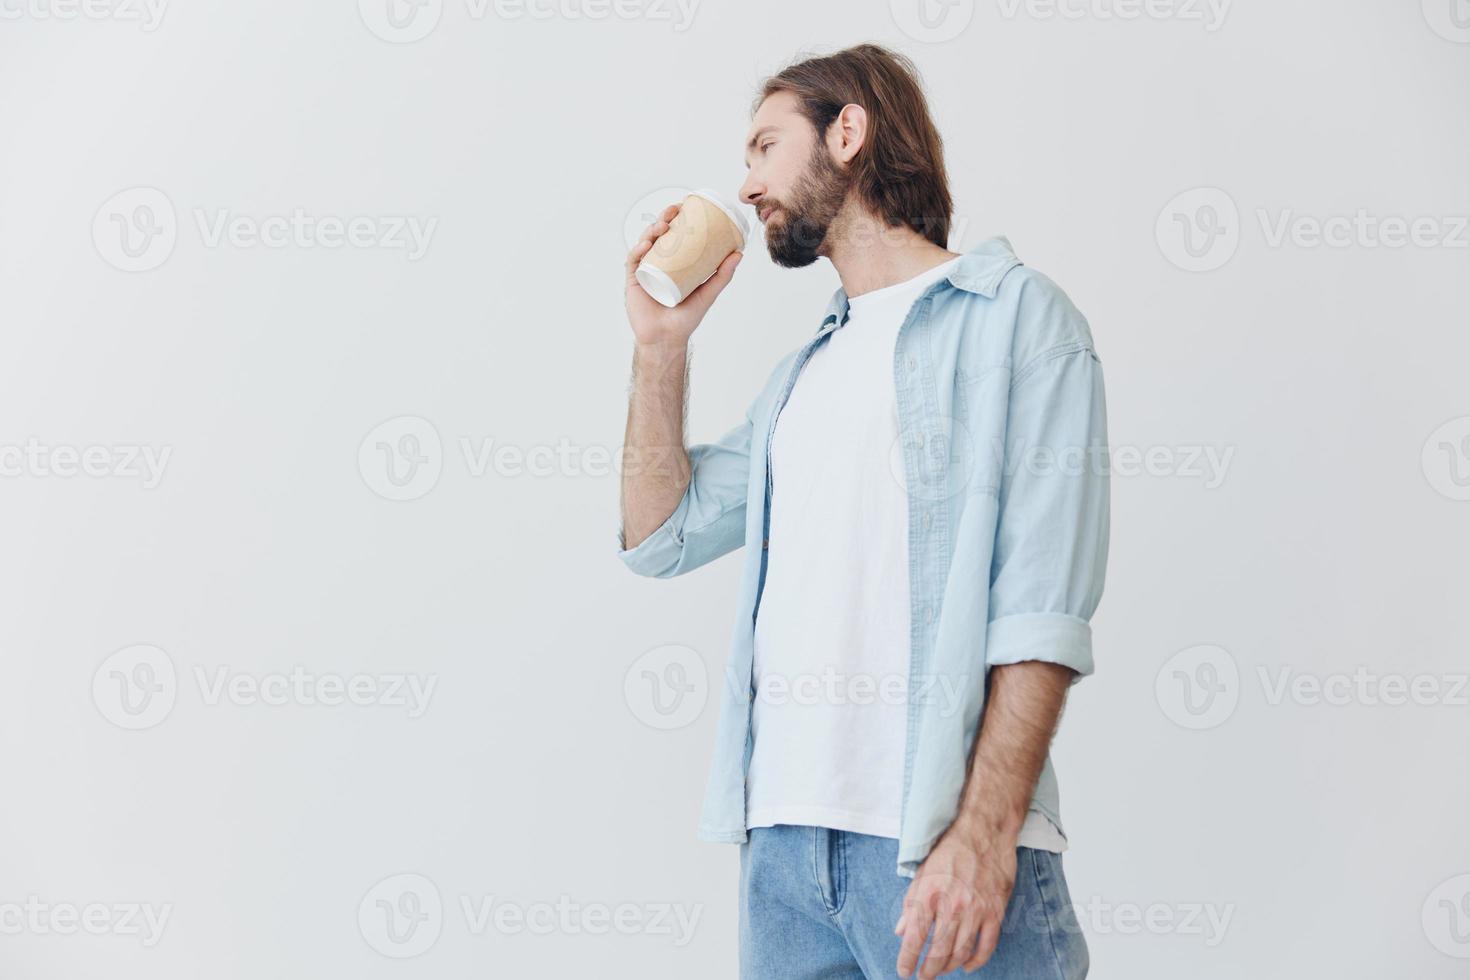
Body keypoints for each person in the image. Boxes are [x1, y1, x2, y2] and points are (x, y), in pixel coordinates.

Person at [617, 42, 1108, 980]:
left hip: (935, 850)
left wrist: (983, 836)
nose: (747, 184)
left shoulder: (1020, 320)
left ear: (848, 132)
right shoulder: (806, 373)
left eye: (766, 145)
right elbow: (659, 536)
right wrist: (659, 350)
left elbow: (1043, 612)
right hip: (786, 860)